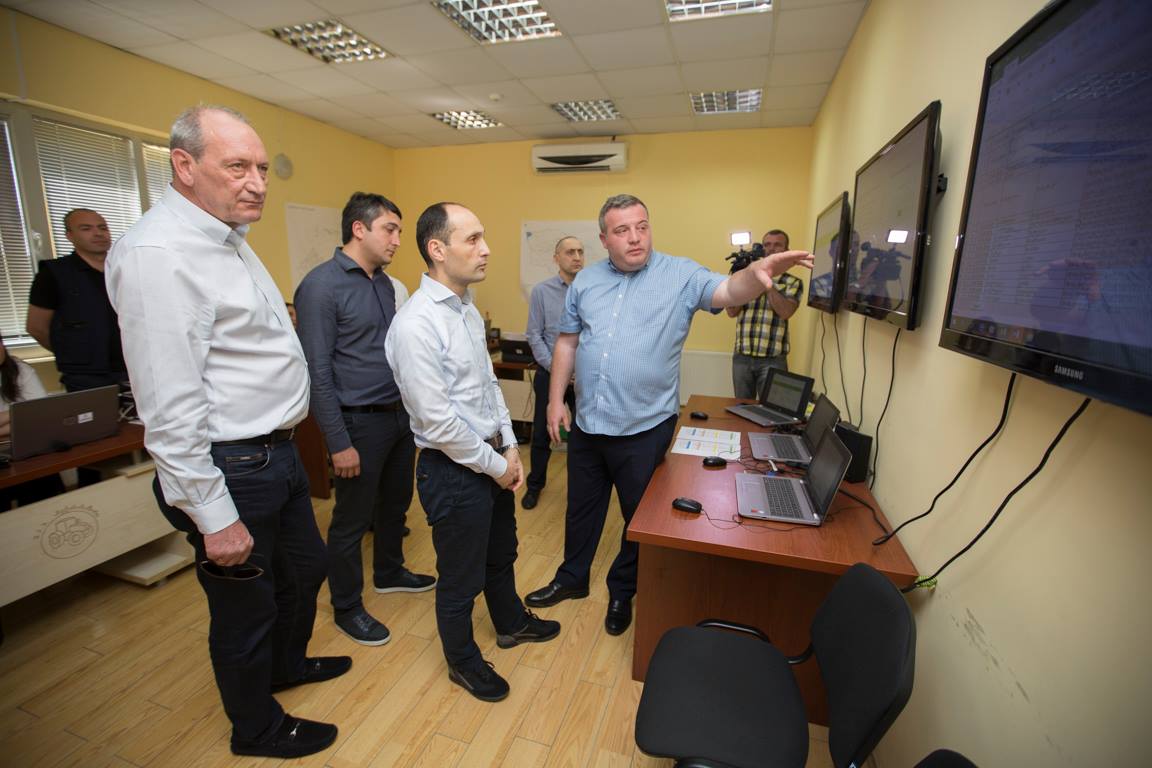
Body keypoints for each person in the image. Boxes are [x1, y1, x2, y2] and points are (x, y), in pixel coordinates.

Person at [106, 105, 343, 759]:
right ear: (184, 166)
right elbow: (168, 407)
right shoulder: (159, 255)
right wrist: (213, 515)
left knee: (306, 568)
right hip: (231, 467)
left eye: (262, 168)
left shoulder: (226, 237)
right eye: (237, 166)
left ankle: (284, 667)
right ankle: (255, 727)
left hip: (276, 453)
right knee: (246, 607)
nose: (257, 183)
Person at [525, 194, 813, 636]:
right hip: (589, 423)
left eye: (642, 226)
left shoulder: (681, 274)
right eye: (622, 230)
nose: (635, 237)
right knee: (581, 510)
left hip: (644, 428)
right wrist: (553, 400)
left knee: (639, 518)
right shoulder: (586, 282)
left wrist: (758, 274)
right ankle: (572, 578)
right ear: (604, 238)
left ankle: (623, 589)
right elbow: (567, 341)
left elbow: (728, 290)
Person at [385, 202, 560, 703]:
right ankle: (462, 662)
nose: (486, 250)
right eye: (473, 239)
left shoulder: (464, 308)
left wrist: (510, 445)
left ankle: (510, 622)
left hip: (491, 457)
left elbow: (487, 385)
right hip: (452, 469)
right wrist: (497, 466)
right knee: (460, 578)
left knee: (501, 553)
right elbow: (439, 423)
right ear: (437, 249)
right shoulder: (416, 324)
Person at [294, 192, 435, 647]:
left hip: (398, 417)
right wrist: (338, 443)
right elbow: (317, 372)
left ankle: (389, 571)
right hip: (357, 424)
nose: (398, 239)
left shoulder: (385, 284)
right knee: (351, 520)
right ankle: (347, 606)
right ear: (359, 229)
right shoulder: (321, 286)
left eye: (399, 231)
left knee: (395, 504)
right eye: (389, 229)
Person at [27, 208, 128, 392]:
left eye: (102, 228)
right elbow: (36, 327)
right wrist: (72, 351)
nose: (98, 233)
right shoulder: (54, 274)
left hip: (131, 366)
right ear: (69, 236)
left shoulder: (124, 268)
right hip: (86, 376)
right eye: (86, 228)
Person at [521, 236, 583, 510]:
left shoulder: (591, 290)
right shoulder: (541, 292)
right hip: (550, 373)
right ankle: (535, 486)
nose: (577, 257)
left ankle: (580, 490)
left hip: (583, 378)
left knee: (583, 437)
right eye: (570, 252)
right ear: (556, 258)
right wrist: (556, 368)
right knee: (541, 435)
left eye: (580, 251)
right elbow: (534, 335)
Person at [726, 229, 804, 399]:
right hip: (742, 357)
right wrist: (742, 278)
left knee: (771, 409)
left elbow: (785, 312)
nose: (771, 249)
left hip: (773, 359)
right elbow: (731, 311)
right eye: (767, 245)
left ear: (786, 250)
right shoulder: (747, 277)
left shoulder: (793, 282)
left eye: (777, 245)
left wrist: (765, 281)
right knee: (740, 407)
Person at [0, 339, 65, 509]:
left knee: (42, 475)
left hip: (24, 447)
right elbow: (30, 414)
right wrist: (20, 413)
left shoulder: (19, 369)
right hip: (10, 447)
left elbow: (39, 414)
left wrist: (13, 418)